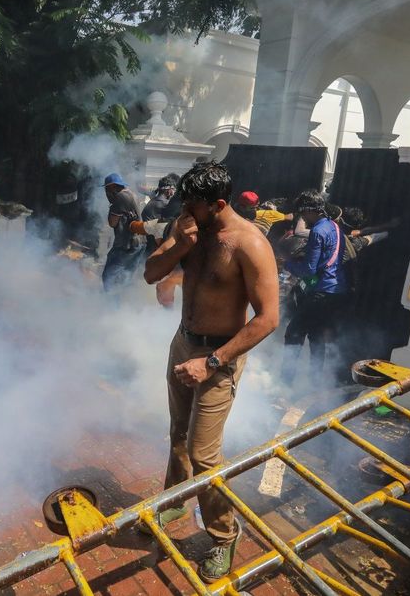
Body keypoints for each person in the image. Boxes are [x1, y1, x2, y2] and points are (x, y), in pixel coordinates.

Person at [142, 161, 279, 582]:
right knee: (177, 433)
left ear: (219, 204)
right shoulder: (188, 226)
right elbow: (151, 273)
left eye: (194, 204)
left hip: (219, 357)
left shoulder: (249, 244)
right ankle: (176, 501)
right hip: (183, 343)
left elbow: (268, 318)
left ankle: (224, 535)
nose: (185, 210)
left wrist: (213, 362)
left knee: (204, 453)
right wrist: (180, 245)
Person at [282, 190, 346, 381]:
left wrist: (286, 264)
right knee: (316, 335)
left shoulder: (318, 231)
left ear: (310, 210)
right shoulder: (335, 226)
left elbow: (309, 269)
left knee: (293, 333)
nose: (302, 217)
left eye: (303, 213)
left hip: (320, 291)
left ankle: (284, 381)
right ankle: (315, 379)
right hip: (335, 289)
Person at [101, 173, 144, 291]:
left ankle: (111, 305)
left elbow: (112, 222)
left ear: (113, 186)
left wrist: (112, 205)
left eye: (107, 188)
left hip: (126, 245)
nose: (106, 192)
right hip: (138, 244)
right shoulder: (131, 194)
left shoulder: (121, 197)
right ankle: (123, 305)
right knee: (124, 278)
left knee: (108, 277)